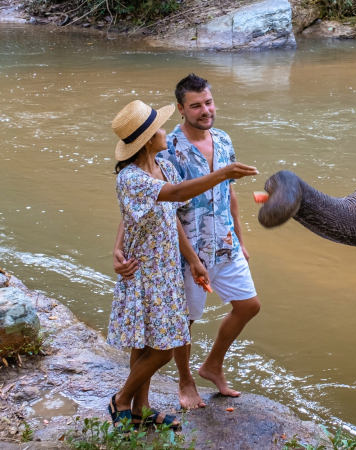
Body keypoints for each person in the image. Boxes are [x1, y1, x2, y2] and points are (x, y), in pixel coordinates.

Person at [107, 100, 258, 428]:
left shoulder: (163, 166)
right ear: (149, 140)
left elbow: (170, 212)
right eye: (159, 128)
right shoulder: (131, 178)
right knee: (160, 348)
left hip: (167, 266)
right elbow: (174, 195)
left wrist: (192, 260)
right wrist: (224, 174)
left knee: (148, 342)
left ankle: (140, 409)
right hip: (144, 269)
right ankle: (121, 400)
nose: (165, 131)